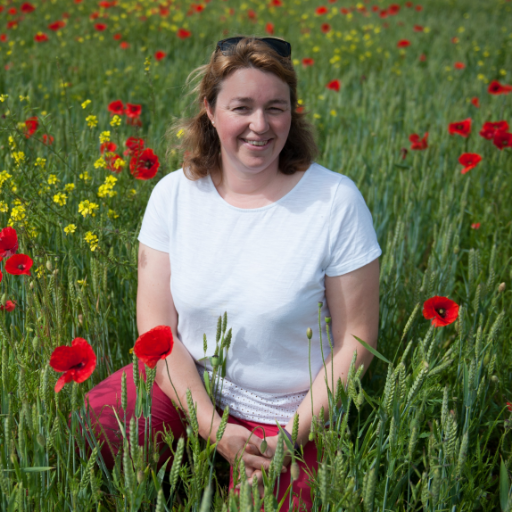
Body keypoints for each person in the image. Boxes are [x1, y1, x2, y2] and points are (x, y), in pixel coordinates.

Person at [86, 36, 381, 510]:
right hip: (191, 389)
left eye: (276, 108)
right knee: (97, 428)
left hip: (288, 416)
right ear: (209, 108)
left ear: (293, 113)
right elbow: (158, 330)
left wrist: (289, 439)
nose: (260, 126)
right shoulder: (174, 195)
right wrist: (211, 425)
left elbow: (357, 342)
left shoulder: (335, 202)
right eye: (241, 107)